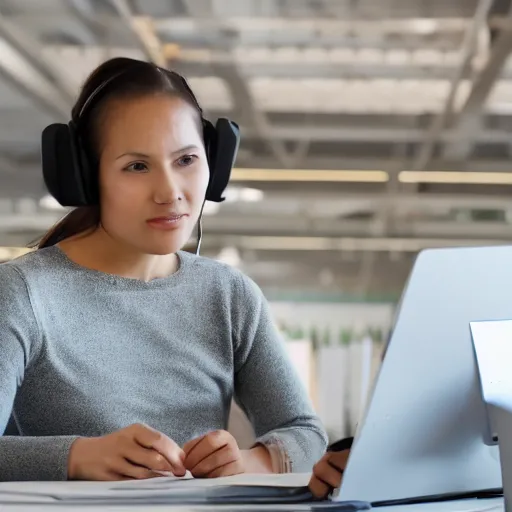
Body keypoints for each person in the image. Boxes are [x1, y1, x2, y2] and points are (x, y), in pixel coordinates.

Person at [0, 57, 327, 482]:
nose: (170, 192)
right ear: (84, 176)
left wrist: (251, 461)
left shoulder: (229, 295)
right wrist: (77, 457)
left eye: (186, 160)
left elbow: (305, 434)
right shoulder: (23, 293)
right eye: (137, 166)